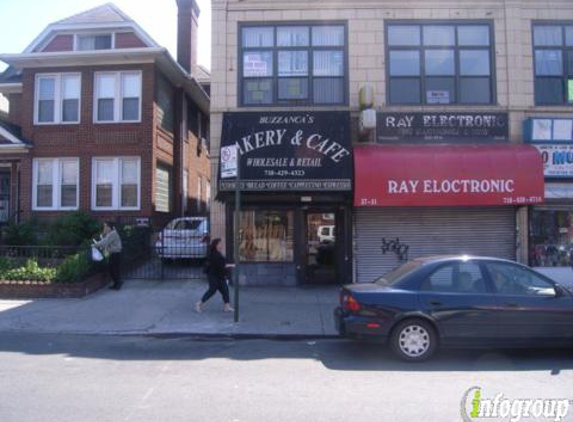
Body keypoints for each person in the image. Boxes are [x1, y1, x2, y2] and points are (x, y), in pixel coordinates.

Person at [196, 238, 234, 313]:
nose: (221, 245)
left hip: (220, 275)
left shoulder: (219, 253)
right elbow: (222, 265)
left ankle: (227, 307)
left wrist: (228, 265)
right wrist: (231, 265)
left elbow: (222, 264)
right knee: (212, 290)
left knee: (225, 290)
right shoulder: (214, 254)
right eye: (219, 244)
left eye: (221, 243)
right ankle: (199, 304)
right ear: (216, 245)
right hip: (213, 275)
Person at [94, 221, 123, 290]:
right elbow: (105, 240)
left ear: (109, 227)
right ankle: (117, 283)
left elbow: (105, 242)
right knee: (114, 269)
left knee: (113, 269)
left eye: (105, 226)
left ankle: (117, 284)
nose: (104, 228)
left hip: (114, 253)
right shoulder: (111, 233)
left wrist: (95, 245)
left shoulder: (112, 234)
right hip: (115, 253)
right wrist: (104, 233)